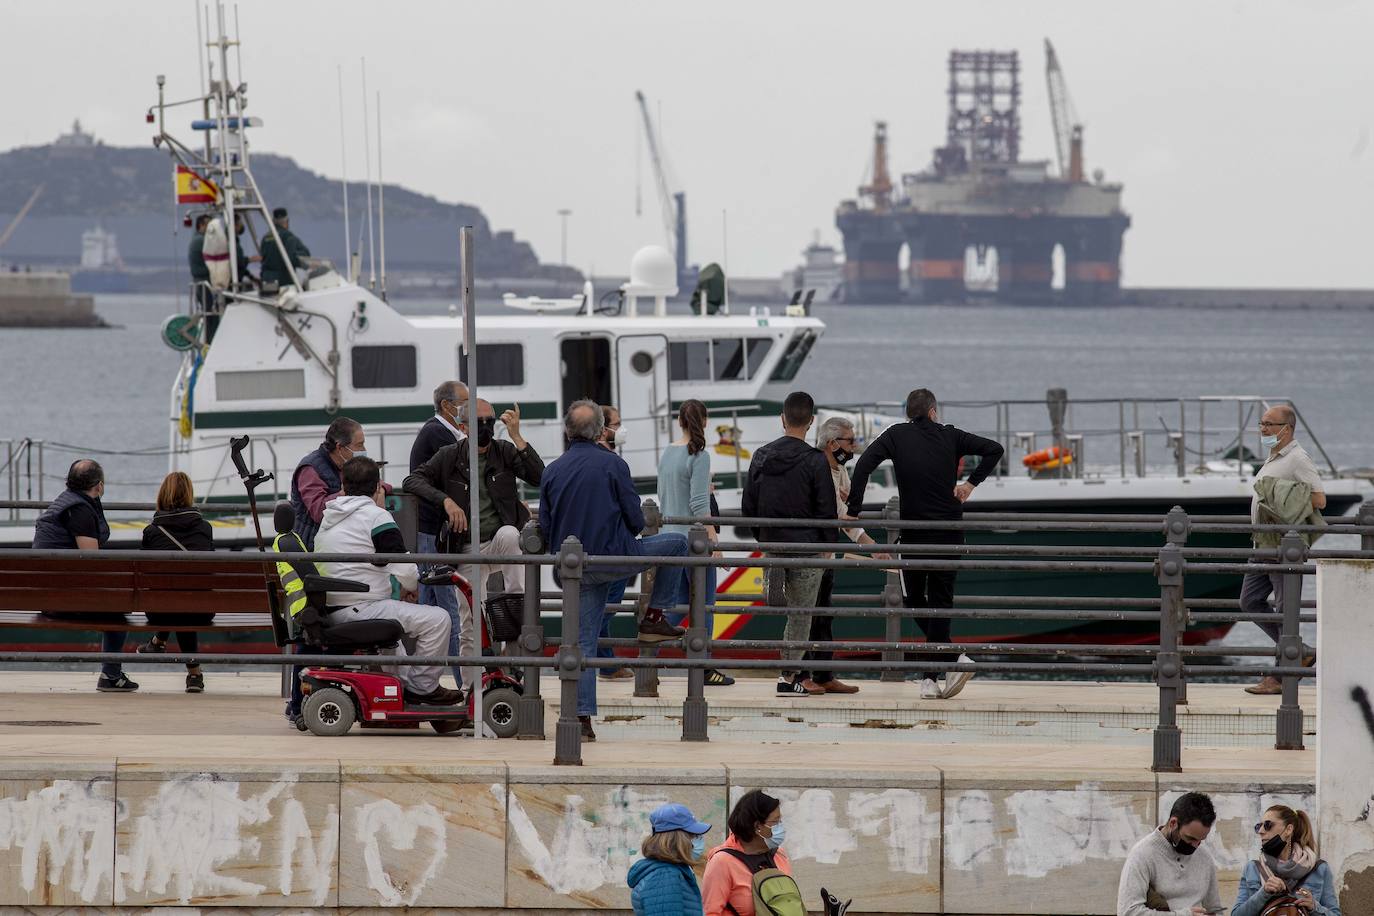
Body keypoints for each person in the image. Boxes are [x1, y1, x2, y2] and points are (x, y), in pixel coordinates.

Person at [538, 400, 688, 741]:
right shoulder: (613, 464)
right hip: (617, 558)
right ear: (601, 431)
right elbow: (636, 521)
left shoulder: (552, 470)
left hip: (576, 570)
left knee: (583, 645)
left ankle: (582, 720)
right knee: (678, 544)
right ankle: (654, 617)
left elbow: (546, 529)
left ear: (567, 431)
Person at [846, 388, 1005, 700]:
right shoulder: (951, 435)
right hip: (949, 532)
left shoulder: (895, 435)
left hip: (915, 534)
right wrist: (970, 485)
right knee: (941, 603)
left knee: (914, 600)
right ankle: (941, 669)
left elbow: (863, 465)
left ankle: (943, 668)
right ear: (933, 411)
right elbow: (995, 449)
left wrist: (852, 510)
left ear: (909, 413)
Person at [403, 399, 543, 691]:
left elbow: (540, 477)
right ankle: (470, 690)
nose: (485, 427)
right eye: (478, 422)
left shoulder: (504, 451)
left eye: (489, 420)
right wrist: (446, 500)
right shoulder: (449, 456)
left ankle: (518, 603)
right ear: (463, 427)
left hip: (498, 541)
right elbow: (412, 480)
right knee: (469, 622)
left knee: (508, 533)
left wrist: (517, 436)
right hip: (466, 548)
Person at [314, 456, 460, 706]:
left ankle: (403, 690)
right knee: (438, 619)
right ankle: (424, 688)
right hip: (362, 608)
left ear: (344, 484)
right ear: (377, 486)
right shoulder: (376, 517)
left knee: (393, 637)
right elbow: (403, 565)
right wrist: (411, 587)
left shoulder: (329, 518)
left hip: (333, 610)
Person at [740, 391, 838, 697]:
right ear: (810, 422)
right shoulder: (814, 460)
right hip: (806, 548)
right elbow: (826, 510)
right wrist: (827, 546)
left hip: (773, 545)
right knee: (801, 614)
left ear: (782, 419)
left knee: (787, 609)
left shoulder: (760, 456)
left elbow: (748, 507)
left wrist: (765, 537)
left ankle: (791, 674)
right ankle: (789, 677)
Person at [1241, 404, 1326, 695]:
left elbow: (1318, 499)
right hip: (1262, 543)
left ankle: (1278, 679)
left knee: (1284, 609)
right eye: (1261, 423)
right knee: (1250, 601)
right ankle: (1299, 650)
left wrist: (1279, 497)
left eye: (1269, 424)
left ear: (1286, 429)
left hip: (1284, 546)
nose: (1262, 429)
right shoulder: (1274, 456)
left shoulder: (1298, 458)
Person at [31, 460, 136, 692]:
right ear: (98, 486)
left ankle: (112, 674)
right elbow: (91, 560)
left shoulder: (63, 502)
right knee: (119, 607)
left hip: (46, 595)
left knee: (115, 599)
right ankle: (111, 675)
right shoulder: (79, 511)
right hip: (63, 600)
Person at [803, 416, 890, 695]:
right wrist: (872, 546)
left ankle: (824, 674)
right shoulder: (816, 468)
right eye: (850, 441)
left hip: (826, 555)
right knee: (806, 618)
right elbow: (844, 515)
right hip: (810, 554)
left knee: (824, 617)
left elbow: (847, 512)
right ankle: (801, 675)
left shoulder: (839, 468)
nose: (854, 446)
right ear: (832, 443)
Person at [656, 399, 733, 687]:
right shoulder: (699, 455)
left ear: (679, 421)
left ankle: (649, 661)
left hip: (669, 540)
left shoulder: (667, 452)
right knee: (705, 607)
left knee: (673, 608)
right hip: (694, 542)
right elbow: (700, 505)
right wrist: (716, 545)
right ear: (705, 422)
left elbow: (666, 495)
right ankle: (702, 668)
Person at [409, 380, 468, 688]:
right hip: (432, 534)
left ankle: (422, 683)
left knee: (429, 608)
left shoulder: (448, 433)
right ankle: (467, 684)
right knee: (451, 608)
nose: (467, 409)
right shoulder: (438, 433)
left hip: (430, 533)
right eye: (464, 403)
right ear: (448, 406)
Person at [137, 471, 214, 693]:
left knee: (174, 599)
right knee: (186, 599)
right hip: (201, 610)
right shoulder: (204, 528)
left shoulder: (152, 532)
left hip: (160, 612)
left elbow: (144, 574)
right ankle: (194, 675)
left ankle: (159, 643)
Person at [1117, 791, 1222, 916]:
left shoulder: (1204, 856)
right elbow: (1128, 911)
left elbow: (1214, 909)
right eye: (1191, 838)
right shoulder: (1142, 854)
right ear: (1173, 823)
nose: (1195, 845)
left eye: (1201, 840)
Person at [1232, 805, 1340, 916]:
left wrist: (1314, 907)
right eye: (1258, 826)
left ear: (1288, 829)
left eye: (1268, 825)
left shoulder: (1318, 868)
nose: (1261, 831)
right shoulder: (1253, 868)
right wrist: (1264, 893)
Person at [702, 789, 794, 916]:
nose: (780, 826)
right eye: (775, 822)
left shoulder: (779, 855)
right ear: (757, 827)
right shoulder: (722, 862)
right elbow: (711, 912)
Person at [290, 417, 368, 549]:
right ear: (340, 447)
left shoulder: (350, 465)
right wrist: (346, 493)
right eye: (359, 445)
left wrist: (379, 488)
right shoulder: (310, 469)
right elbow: (319, 511)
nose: (363, 449)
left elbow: (379, 484)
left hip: (343, 542)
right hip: (313, 547)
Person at [596, 404, 633, 681]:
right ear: (603, 429)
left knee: (603, 603)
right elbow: (629, 509)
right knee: (607, 605)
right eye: (616, 424)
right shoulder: (614, 464)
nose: (620, 430)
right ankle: (576, 639)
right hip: (615, 546)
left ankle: (607, 664)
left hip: (594, 546)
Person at [627, 803, 712, 916]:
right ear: (678, 839)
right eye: (693, 835)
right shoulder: (665, 875)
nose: (697, 840)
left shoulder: (668, 871)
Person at [259, 207, 311, 287]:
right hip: (283, 282)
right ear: (287, 221)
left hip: (267, 282)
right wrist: (307, 263)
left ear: (273, 222)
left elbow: (263, 258)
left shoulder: (265, 238)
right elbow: (292, 258)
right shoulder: (288, 237)